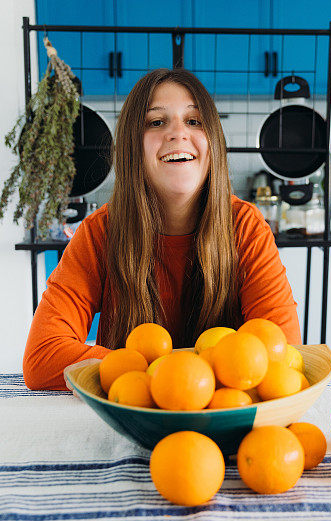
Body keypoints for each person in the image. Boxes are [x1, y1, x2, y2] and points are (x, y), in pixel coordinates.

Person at [23, 68, 301, 390]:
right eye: (156, 122)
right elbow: (41, 359)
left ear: (213, 141)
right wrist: (172, 379)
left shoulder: (246, 228)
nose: (178, 133)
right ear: (132, 147)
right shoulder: (99, 233)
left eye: (194, 121)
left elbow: (282, 354)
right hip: (131, 419)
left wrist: (143, 374)